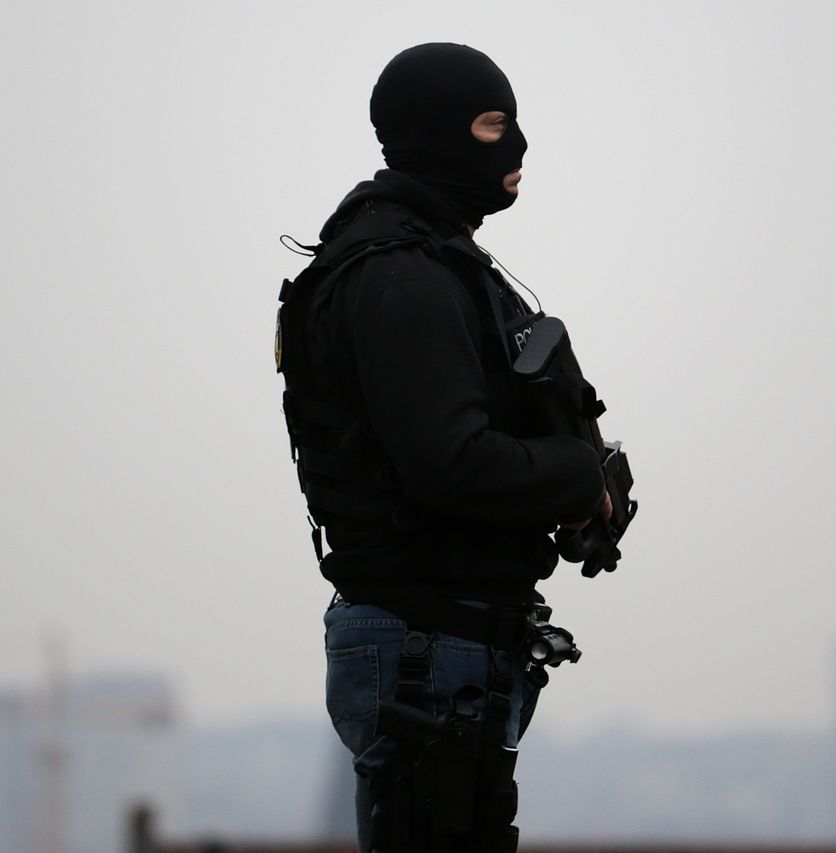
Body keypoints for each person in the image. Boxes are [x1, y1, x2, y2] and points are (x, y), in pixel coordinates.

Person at [276, 43, 612, 852]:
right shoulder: (403, 275)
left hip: (441, 644)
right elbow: (449, 463)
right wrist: (578, 474)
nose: (518, 148)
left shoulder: (419, 261)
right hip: (428, 650)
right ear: (436, 135)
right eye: (494, 124)